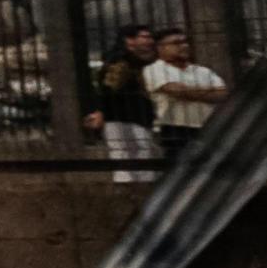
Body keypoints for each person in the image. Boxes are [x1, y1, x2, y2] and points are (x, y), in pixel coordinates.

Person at [146, 27, 226, 164]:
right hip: (176, 128)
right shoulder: (155, 69)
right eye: (176, 43)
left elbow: (222, 94)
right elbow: (176, 91)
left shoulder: (202, 70)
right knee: (180, 169)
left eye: (185, 42)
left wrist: (189, 92)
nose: (184, 46)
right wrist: (209, 91)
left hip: (207, 127)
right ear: (160, 48)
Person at [89, 24, 161, 162]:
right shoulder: (120, 62)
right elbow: (108, 89)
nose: (150, 41)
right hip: (121, 116)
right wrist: (101, 111)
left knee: (135, 156)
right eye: (145, 37)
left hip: (138, 115)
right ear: (129, 40)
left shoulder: (140, 61)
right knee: (129, 157)